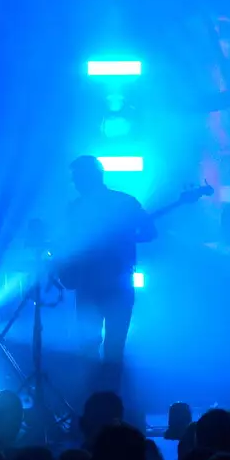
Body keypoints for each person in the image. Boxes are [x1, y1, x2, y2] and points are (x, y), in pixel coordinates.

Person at [62, 157, 156, 389]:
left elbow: (150, 232)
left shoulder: (117, 203)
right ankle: (104, 398)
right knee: (104, 346)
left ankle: (100, 399)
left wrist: (121, 238)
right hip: (103, 284)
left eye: (78, 178)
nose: (75, 183)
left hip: (110, 284)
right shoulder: (119, 202)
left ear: (90, 176)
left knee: (103, 345)